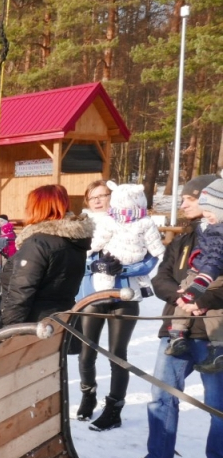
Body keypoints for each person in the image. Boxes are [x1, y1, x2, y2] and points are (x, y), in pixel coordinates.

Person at [124, 173, 223, 458]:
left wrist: (201, 299)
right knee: (162, 395)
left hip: (214, 332)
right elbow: (160, 277)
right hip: (175, 328)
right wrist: (180, 297)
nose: (183, 205)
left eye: (189, 199)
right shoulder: (182, 239)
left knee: (218, 404)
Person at [76, 182, 163, 429]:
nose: (98, 200)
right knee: (86, 353)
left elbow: (150, 259)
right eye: (92, 197)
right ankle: (87, 395)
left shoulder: (135, 223)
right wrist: (95, 265)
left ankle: (114, 408)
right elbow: (75, 260)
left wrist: (124, 268)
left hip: (126, 296)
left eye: (103, 195)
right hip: (93, 295)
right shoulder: (84, 226)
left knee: (117, 354)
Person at [0, 185, 93, 330]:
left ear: (38, 207)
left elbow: (20, 295)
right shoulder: (73, 241)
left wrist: (4, 335)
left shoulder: (38, 243)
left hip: (32, 329)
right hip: (57, 325)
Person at [166, 178, 223, 371]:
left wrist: (196, 293)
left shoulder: (219, 233)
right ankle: (178, 334)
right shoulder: (202, 229)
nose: (206, 216)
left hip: (206, 277)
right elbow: (161, 277)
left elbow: (213, 262)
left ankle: (217, 347)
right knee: (186, 290)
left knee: (215, 311)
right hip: (196, 274)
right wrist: (183, 295)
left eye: (210, 211)